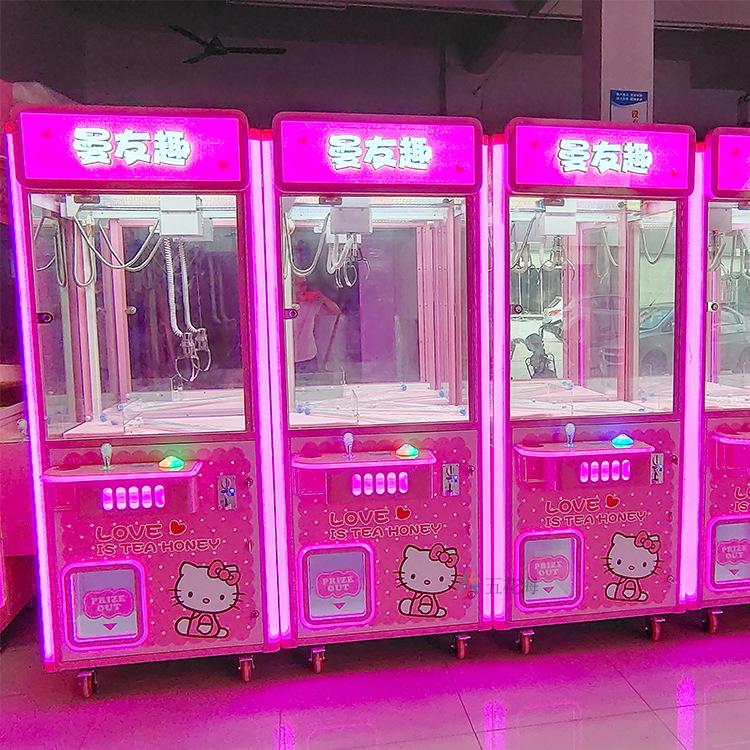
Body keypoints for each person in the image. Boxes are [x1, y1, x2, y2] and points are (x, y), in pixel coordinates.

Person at [292, 275, 342, 376]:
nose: (302, 288)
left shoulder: (311, 304)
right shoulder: (281, 306)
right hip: (286, 357)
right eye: (298, 285)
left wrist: (322, 298)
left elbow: (336, 311)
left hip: (307, 357)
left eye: (304, 285)